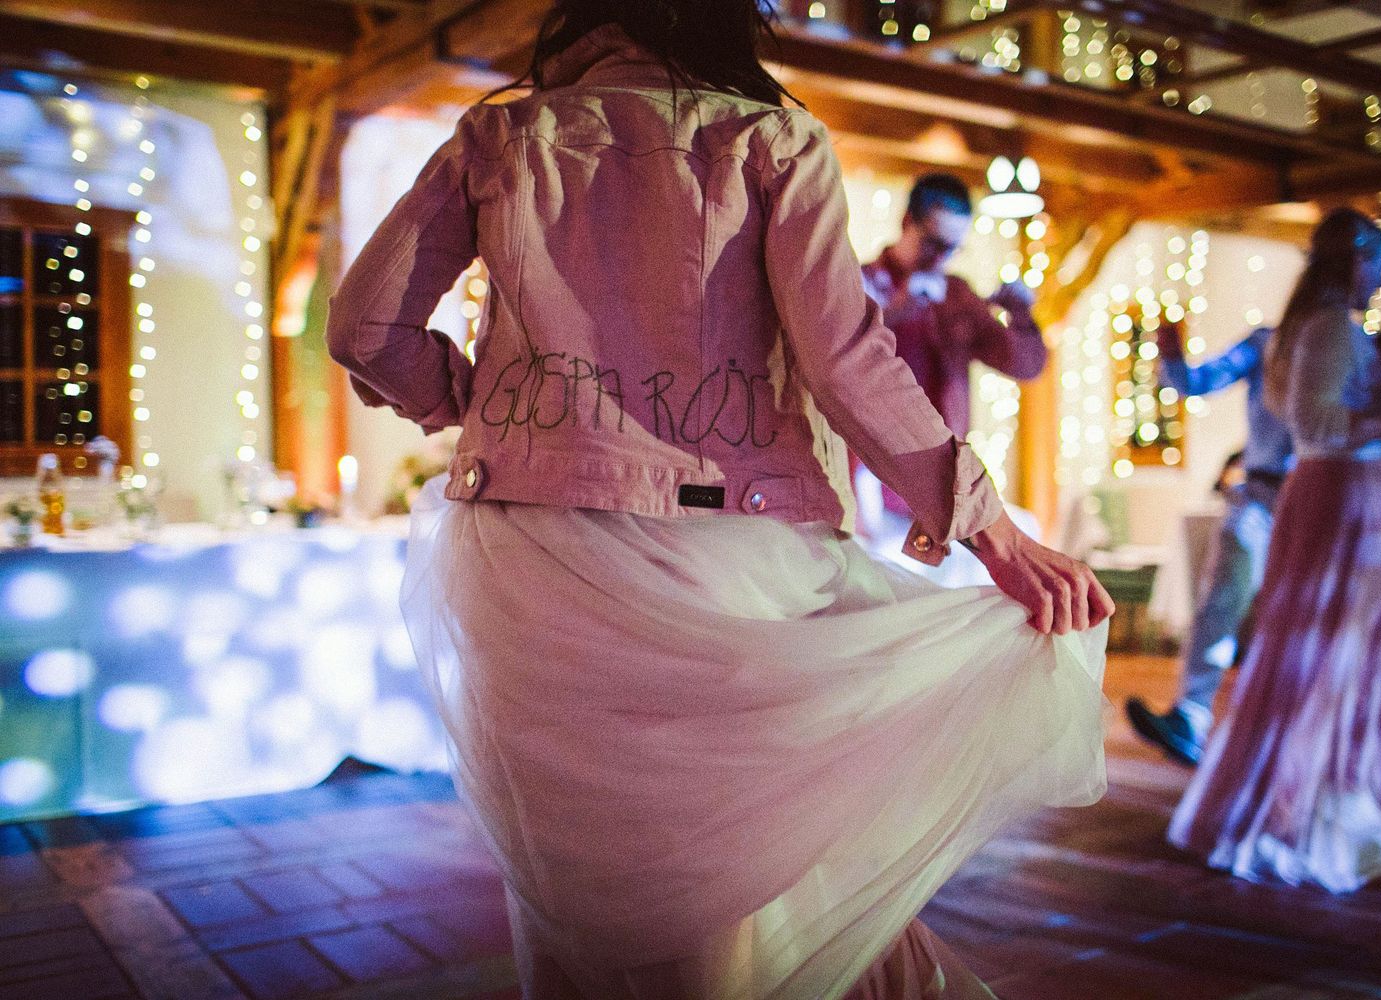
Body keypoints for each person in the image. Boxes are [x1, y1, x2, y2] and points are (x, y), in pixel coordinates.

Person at [327, 3, 1114, 997]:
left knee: (578, 883)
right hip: (720, 550)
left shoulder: (500, 136)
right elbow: (845, 360)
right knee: (731, 885)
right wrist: (994, 536)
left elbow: (364, 328)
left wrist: (472, 402)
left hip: (524, 560)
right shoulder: (769, 140)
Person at [1167, 208, 1381, 893]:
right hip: (1335, 496)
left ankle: (1341, 797)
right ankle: (1316, 810)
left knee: (1343, 649)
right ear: (1355, 261)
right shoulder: (1324, 328)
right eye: (1378, 263)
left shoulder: (1317, 328)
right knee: (1321, 651)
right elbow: (1317, 425)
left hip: (1335, 493)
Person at [856, 174, 1048, 584]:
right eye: (934, 243)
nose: (942, 258)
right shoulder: (861, 284)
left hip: (944, 482)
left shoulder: (956, 295)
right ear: (907, 222)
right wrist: (899, 311)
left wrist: (1020, 315)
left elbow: (1026, 366)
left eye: (953, 247)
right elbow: (840, 359)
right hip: (872, 482)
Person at [1124, 322, 1293, 765]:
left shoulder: (1351, 343)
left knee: (1298, 618)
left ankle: (1285, 738)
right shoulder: (1266, 342)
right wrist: (1171, 356)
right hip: (1259, 493)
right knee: (1219, 603)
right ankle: (1190, 717)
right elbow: (1196, 382)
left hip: (1317, 500)